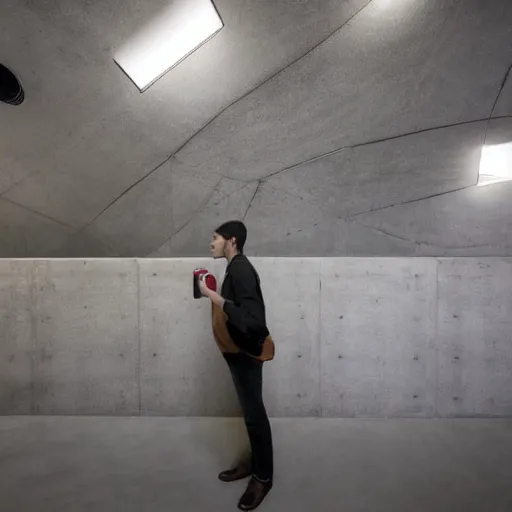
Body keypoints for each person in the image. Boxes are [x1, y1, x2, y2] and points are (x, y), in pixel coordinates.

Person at [198, 220, 274, 511]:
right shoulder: (235, 268)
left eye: (215, 238)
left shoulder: (240, 268)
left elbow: (254, 321)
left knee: (255, 416)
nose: (211, 243)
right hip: (239, 352)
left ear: (231, 241)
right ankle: (254, 463)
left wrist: (213, 296)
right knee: (250, 413)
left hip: (247, 354)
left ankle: (263, 477)